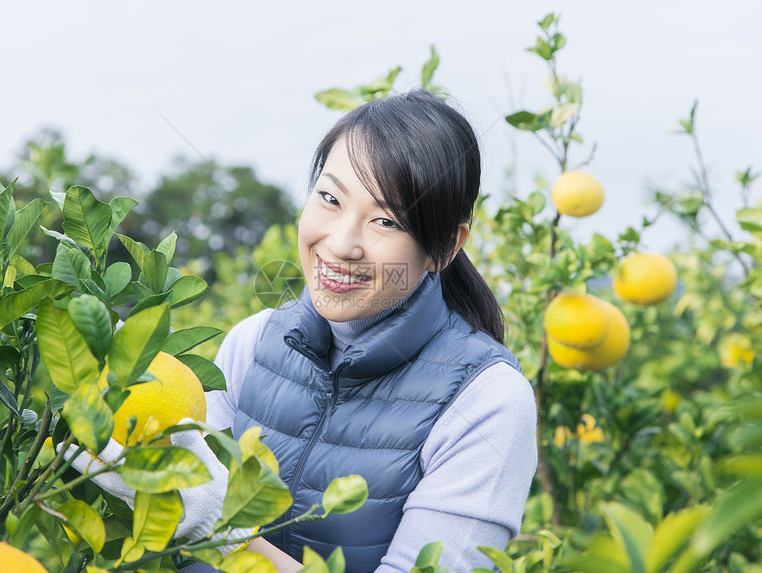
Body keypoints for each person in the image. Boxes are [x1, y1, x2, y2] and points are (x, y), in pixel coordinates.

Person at [74, 89, 538, 572]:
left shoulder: (487, 402)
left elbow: (201, 507)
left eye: (385, 220)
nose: (340, 243)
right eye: (330, 198)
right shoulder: (252, 342)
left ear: (446, 248)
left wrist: (218, 528)